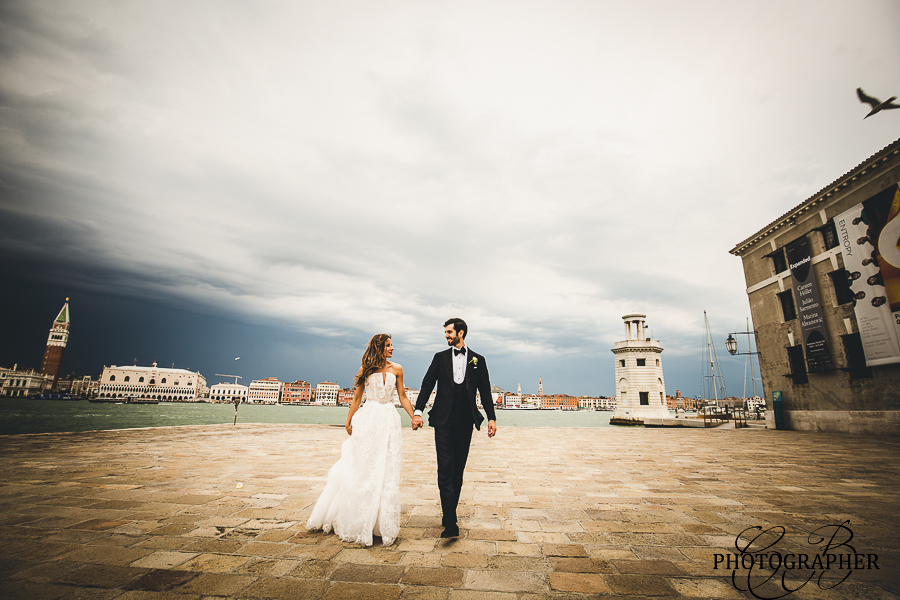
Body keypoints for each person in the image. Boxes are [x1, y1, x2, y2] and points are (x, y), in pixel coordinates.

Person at [306, 334, 416, 546]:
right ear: (379, 348)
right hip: (369, 419)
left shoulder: (398, 369)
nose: (392, 348)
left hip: (389, 419)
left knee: (387, 469)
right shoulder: (364, 370)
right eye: (388, 345)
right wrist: (348, 421)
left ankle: (380, 523)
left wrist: (414, 416)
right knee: (363, 467)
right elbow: (357, 397)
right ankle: (358, 519)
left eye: (391, 345)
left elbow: (402, 396)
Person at [412, 318, 497, 538]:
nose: (446, 336)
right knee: (444, 469)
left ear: (461, 333)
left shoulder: (478, 360)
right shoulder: (439, 358)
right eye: (446, 333)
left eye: (449, 332)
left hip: (467, 421)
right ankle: (451, 522)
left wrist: (491, 418)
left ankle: (449, 511)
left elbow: (485, 391)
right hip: (442, 420)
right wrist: (418, 411)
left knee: (457, 470)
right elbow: (427, 384)